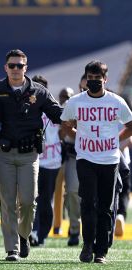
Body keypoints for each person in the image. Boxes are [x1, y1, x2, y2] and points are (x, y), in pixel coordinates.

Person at [0, 49, 63, 261]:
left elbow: (58, 114)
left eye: (20, 65)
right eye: (12, 65)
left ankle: (24, 235)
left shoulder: (40, 92)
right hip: (4, 154)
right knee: (7, 203)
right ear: (5, 68)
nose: (16, 69)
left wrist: (80, 107)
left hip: (30, 154)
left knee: (28, 202)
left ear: (26, 68)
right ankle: (12, 249)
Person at [61, 60, 132, 264]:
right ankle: (88, 245)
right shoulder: (75, 102)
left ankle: (101, 251)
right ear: (85, 80)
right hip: (85, 158)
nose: (93, 82)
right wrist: (78, 136)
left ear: (105, 79)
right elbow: (65, 124)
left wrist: (115, 139)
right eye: (90, 78)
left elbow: (130, 124)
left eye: (97, 79)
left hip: (109, 160)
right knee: (88, 203)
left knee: (105, 207)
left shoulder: (116, 101)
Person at [30, 75, 62, 247]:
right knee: (31, 198)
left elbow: (63, 128)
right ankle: (32, 232)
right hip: (32, 158)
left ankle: (42, 234)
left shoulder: (53, 107)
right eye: (36, 86)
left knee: (46, 199)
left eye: (42, 87)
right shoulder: (27, 106)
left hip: (51, 161)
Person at [58, 86, 81, 246]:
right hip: (70, 155)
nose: (65, 100)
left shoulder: (83, 104)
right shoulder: (63, 108)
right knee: (72, 191)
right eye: (63, 97)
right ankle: (74, 229)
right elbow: (60, 134)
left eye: (68, 96)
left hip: (93, 154)